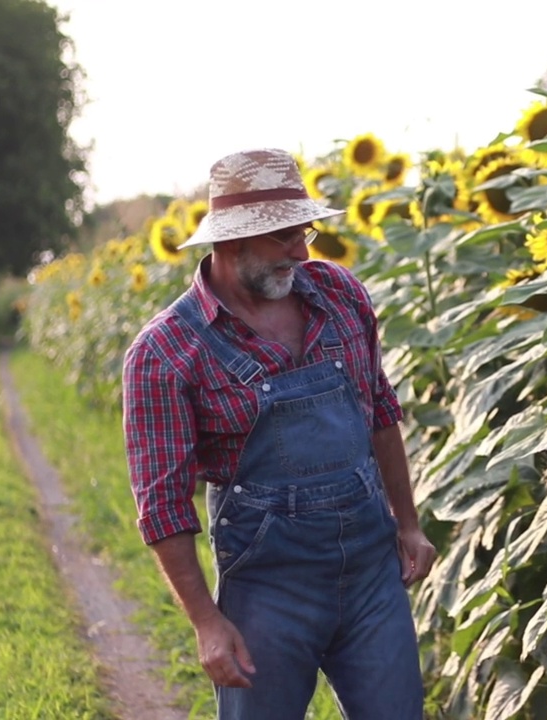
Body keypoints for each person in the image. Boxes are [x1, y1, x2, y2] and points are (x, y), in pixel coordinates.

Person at [121, 147, 434, 720]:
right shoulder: (165, 352)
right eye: (284, 237)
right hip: (267, 591)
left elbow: (381, 412)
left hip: (371, 574)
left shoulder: (338, 294)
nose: (302, 250)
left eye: (304, 231)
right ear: (229, 241)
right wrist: (207, 623)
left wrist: (408, 523)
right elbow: (162, 505)